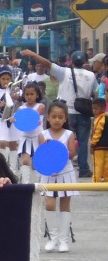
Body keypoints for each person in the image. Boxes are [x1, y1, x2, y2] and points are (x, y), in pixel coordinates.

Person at [20, 49, 96, 177]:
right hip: (84, 112)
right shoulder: (91, 75)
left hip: (65, 113)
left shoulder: (64, 72)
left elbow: (47, 63)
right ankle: (84, 169)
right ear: (85, 61)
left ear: (71, 61)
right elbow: (96, 92)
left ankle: (59, 166)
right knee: (83, 142)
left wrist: (33, 54)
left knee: (62, 139)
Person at [37, 102, 78, 252]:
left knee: (65, 205)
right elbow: (41, 156)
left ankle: (63, 239)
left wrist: (61, 151)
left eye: (60, 117)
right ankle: (52, 238)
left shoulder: (69, 134)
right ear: (48, 117)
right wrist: (47, 147)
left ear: (65, 119)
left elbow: (72, 154)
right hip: (49, 174)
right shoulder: (43, 135)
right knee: (49, 204)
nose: (57, 120)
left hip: (66, 173)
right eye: (54, 117)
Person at [15, 82, 45, 185]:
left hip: (37, 137)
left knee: (37, 163)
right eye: (27, 94)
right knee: (26, 161)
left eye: (32, 94)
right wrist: (15, 119)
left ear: (37, 95)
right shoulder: (21, 108)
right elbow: (19, 121)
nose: (29, 97)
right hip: (25, 137)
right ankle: (25, 182)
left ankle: (38, 183)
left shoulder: (40, 106)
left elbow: (33, 116)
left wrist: (26, 119)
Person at [91, 98, 107, 184]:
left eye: (96, 108)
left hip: (99, 147)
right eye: (93, 109)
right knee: (106, 165)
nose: (94, 111)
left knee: (98, 164)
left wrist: (93, 144)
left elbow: (97, 132)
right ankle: (106, 181)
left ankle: (96, 182)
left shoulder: (99, 119)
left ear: (103, 108)